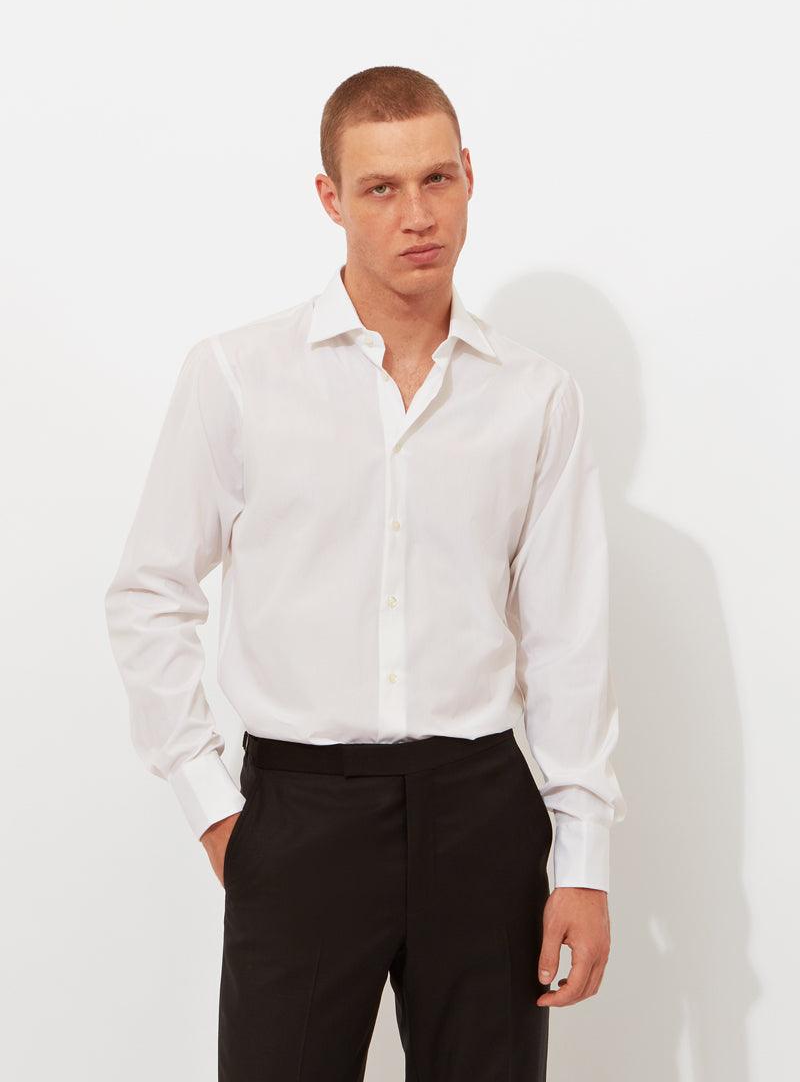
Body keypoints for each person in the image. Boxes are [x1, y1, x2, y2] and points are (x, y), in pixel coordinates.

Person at [104, 64, 627, 1081]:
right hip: (300, 813)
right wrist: (214, 808)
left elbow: (569, 638)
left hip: (481, 809)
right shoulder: (239, 376)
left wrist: (583, 861)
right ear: (330, 198)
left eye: (436, 179)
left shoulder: (534, 397)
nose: (416, 215)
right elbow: (150, 593)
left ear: (469, 174)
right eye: (380, 188)